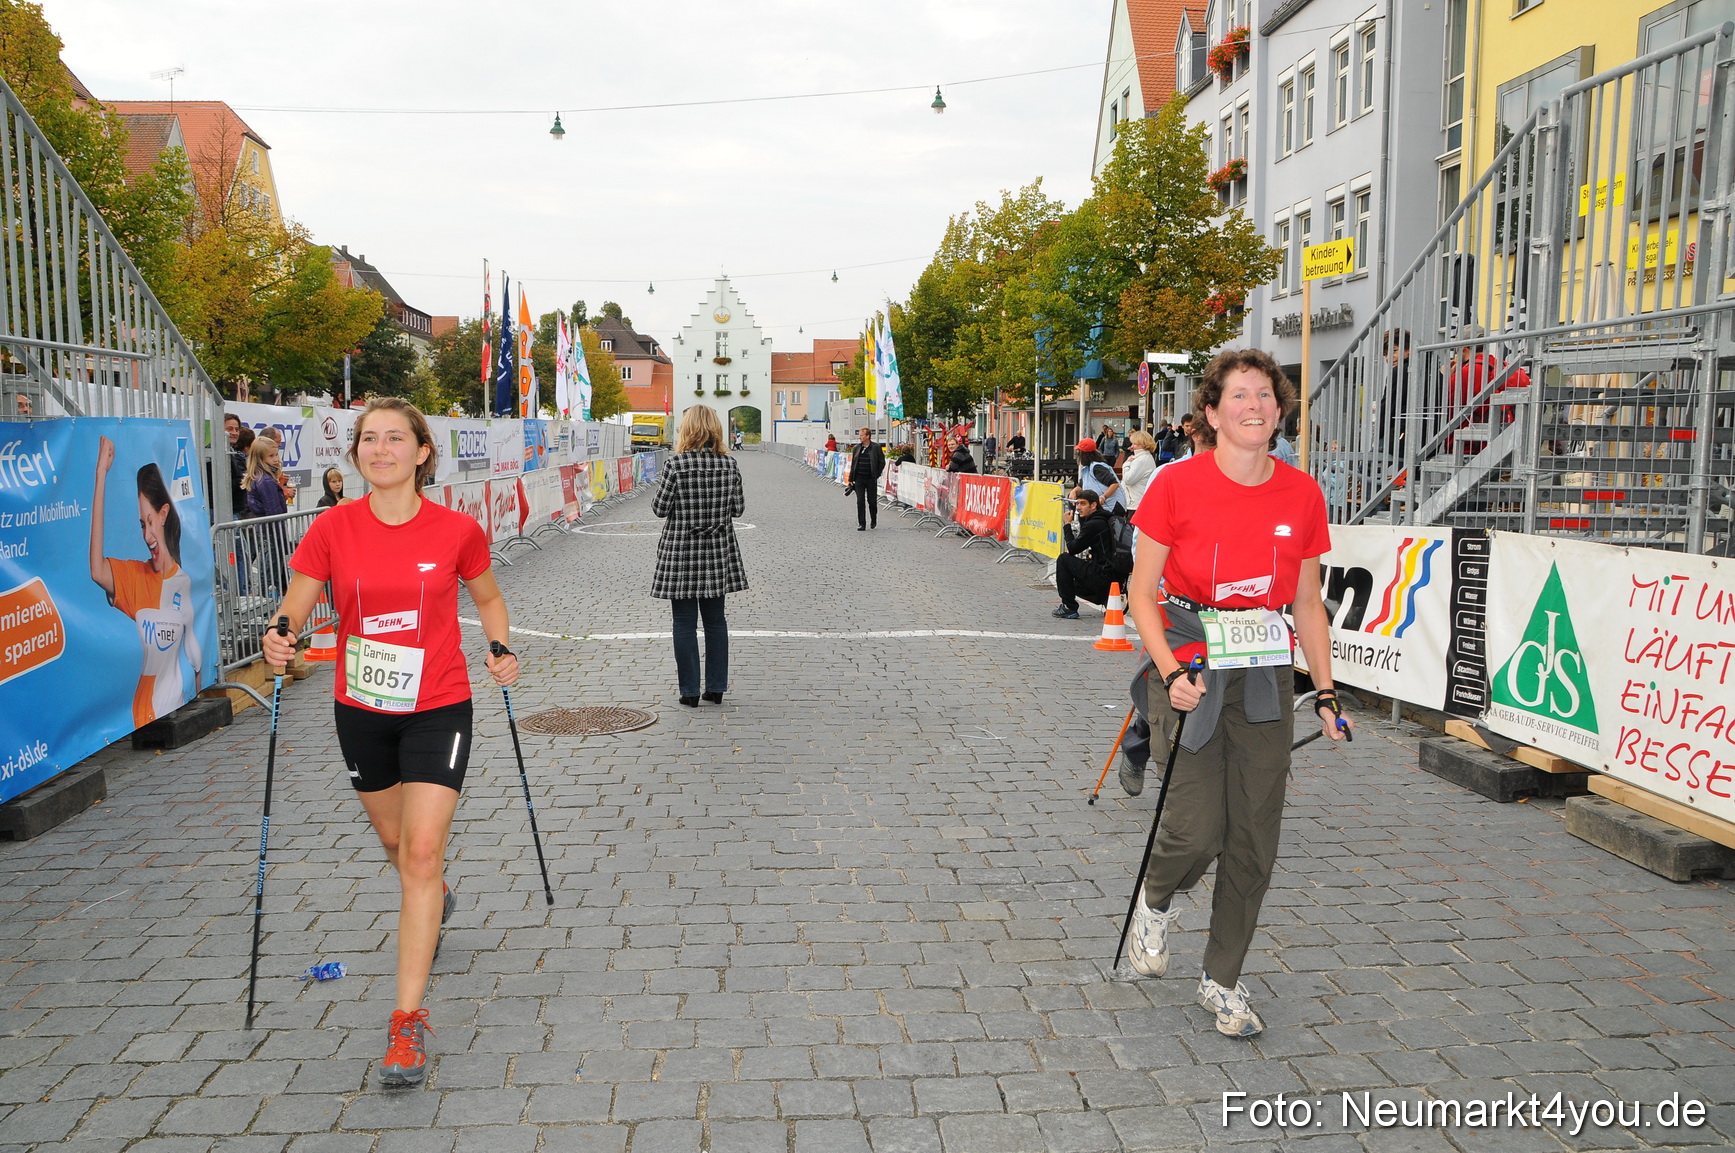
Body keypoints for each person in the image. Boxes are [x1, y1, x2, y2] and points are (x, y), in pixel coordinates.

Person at [261, 397, 518, 1088]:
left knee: (422, 850)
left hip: (438, 702)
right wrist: (280, 632)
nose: (380, 449)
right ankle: (431, 890)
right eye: (368, 439)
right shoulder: (333, 529)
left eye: (394, 438)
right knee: (397, 844)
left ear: (421, 451)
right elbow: (299, 600)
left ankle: (405, 1024)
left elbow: (488, 597)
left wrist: (497, 645)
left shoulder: (456, 530)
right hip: (362, 706)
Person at [1122, 348, 1352, 1040]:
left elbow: (1308, 602)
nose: (1255, 405)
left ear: (1278, 410)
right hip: (1190, 658)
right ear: (1212, 412)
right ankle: (1155, 900)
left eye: (1265, 395)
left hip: (1262, 672)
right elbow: (1140, 590)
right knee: (1195, 829)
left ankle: (1221, 979)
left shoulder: (1301, 493)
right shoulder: (1174, 485)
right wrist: (1167, 672)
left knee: (1253, 837)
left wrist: (1326, 694)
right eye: (1240, 395)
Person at [88, 436, 203, 729]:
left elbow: (193, 649)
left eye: (149, 521)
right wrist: (101, 475)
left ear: (163, 515)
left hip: (180, 710)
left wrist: (200, 694)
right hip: (145, 717)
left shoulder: (184, 581)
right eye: (141, 524)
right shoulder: (135, 577)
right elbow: (96, 570)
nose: (146, 535)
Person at [652, 405, 747, 705]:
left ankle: (689, 692)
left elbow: (659, 509)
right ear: (715, 429)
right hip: (718, 551)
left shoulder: (675, 465)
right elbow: (738, 509)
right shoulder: (729, 465)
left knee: (683, 623)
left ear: (687, 429)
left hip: (681, 551)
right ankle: (716, 688)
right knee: (716, 621)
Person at [1052, 488, 1127, 619]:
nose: (1078, 507)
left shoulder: (1094, 524)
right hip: (1116, 578)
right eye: (1078, 503)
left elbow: (1073, 548)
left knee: (1064, 559)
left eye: (1083, 503)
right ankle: (1108, 599)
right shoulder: (1108, 518)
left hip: (1103, 576)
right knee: (1069, 582)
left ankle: (1069, 607)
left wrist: (1067, 525)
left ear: (1093, 505)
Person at [847, 427, 886, 529]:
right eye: (859, 435)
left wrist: (876, 474)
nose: (860, 437)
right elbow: (853, 464)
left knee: (872, 501)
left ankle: (873, 519)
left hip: (870, 479)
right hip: (859, 478)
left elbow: (882, 462)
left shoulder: (876, 447)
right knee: (860, 501)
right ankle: (862, 523)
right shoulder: (857, 448)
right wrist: (851, 479)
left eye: (861, 435)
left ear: (867, 436)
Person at [1073, 437, 1124, 512]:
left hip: (1111, 507)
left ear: (1084, 454)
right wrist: (1074, 491)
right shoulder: (1087, 468)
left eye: (1079, 453)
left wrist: (1104, 497)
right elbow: (1081, 485)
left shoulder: (1097, 467)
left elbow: (1114, 484)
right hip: (1101, 507)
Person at [1120, 430, 1159, 511]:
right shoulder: (1144, 457)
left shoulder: (1141, 460)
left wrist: (1126, 464)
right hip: (1138, 501)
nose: (1132, 446)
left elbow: (1128, 479)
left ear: (1142, 444)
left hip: (1136, 503)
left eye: (1134, 443)